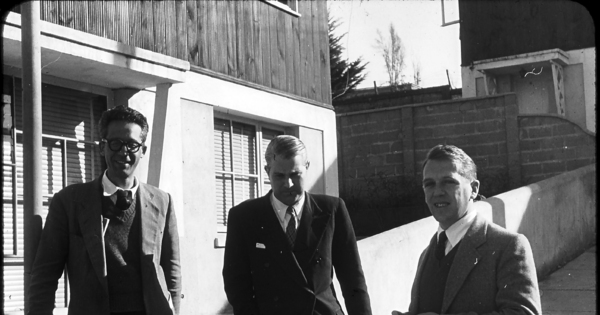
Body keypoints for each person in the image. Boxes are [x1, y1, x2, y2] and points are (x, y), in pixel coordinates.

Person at [28, 105, 181, 315]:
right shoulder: (69, 202)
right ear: (102, 147)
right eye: (116, 143)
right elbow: (45, 275)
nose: (123, 152)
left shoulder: (163, 201)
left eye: (132, 145)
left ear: (143, 150)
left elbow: (172, 272)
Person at [223, 135, 372, 315]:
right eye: (279, 176)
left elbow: (353, 281)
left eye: (295, 174)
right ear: (267, 170)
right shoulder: (244, 217)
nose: (288, 184)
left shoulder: (332, 210)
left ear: (307, 167)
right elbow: (237, 286)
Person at [393, 144, 541, 315]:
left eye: (449, 182)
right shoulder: (426, 255)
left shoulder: (508, 246)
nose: (438, 192)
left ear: (474, 189)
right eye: (429, 184)